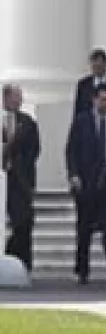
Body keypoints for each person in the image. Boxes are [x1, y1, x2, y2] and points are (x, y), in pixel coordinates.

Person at [65, 83, 106, 285]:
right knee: (84, 229)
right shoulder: (83, 121)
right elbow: (72, 149)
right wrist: (74, 174)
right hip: (87, 182)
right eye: (103, 99)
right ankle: (82, 269)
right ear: (94, 99)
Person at [3, 85, 40, 271]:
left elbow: (35, 150)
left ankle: (22, 263)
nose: (20, 100)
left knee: (23, 222)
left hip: (20, 181)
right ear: (6, 98)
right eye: (16, 97)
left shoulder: (27, 122)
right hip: (2, 179)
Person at [73, 49, 106, 117]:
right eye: (94, 65)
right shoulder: (83, 84)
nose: (96, 67)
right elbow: (78, 109)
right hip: (88, 124)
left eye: (99, 65)